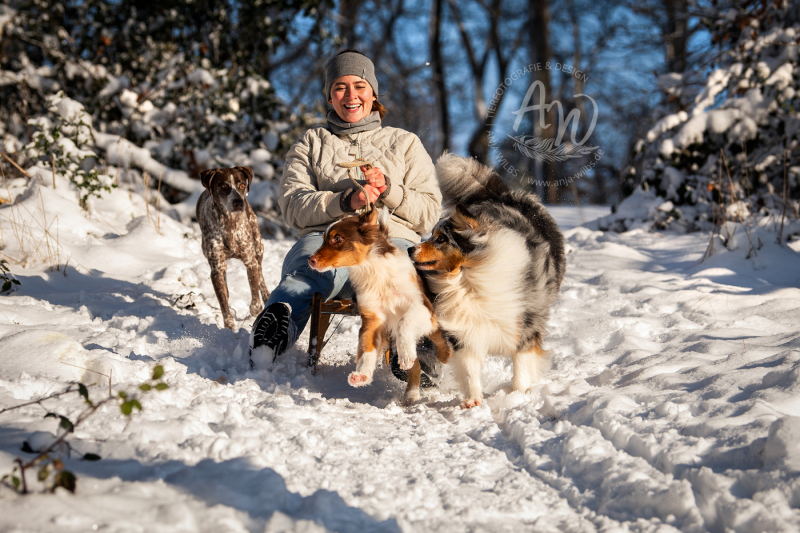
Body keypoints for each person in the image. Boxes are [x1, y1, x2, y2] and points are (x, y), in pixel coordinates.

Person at [249, 50, 442, 362]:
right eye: (340, 87)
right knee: (309, 271)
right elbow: (292, 206)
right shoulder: (311, 142)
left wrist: (389, 190)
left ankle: (417, 351)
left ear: (373, 92)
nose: (351, 95)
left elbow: (430, 212)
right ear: (329, 96)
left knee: (412, 275)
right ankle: (272, 331)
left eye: (359, 85)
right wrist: (343, 201)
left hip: (390, 240)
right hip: (327, 239)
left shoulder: (405, 142)